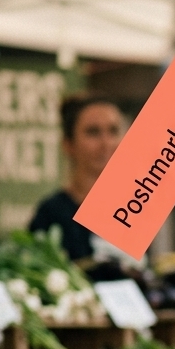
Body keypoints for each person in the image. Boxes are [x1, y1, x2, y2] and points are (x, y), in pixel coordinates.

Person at [29, 95, 124, 261]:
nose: (106, 143)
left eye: (113, 131)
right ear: (68, 144)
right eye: (93, 132)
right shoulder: (51, 213)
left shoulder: (136, 205)